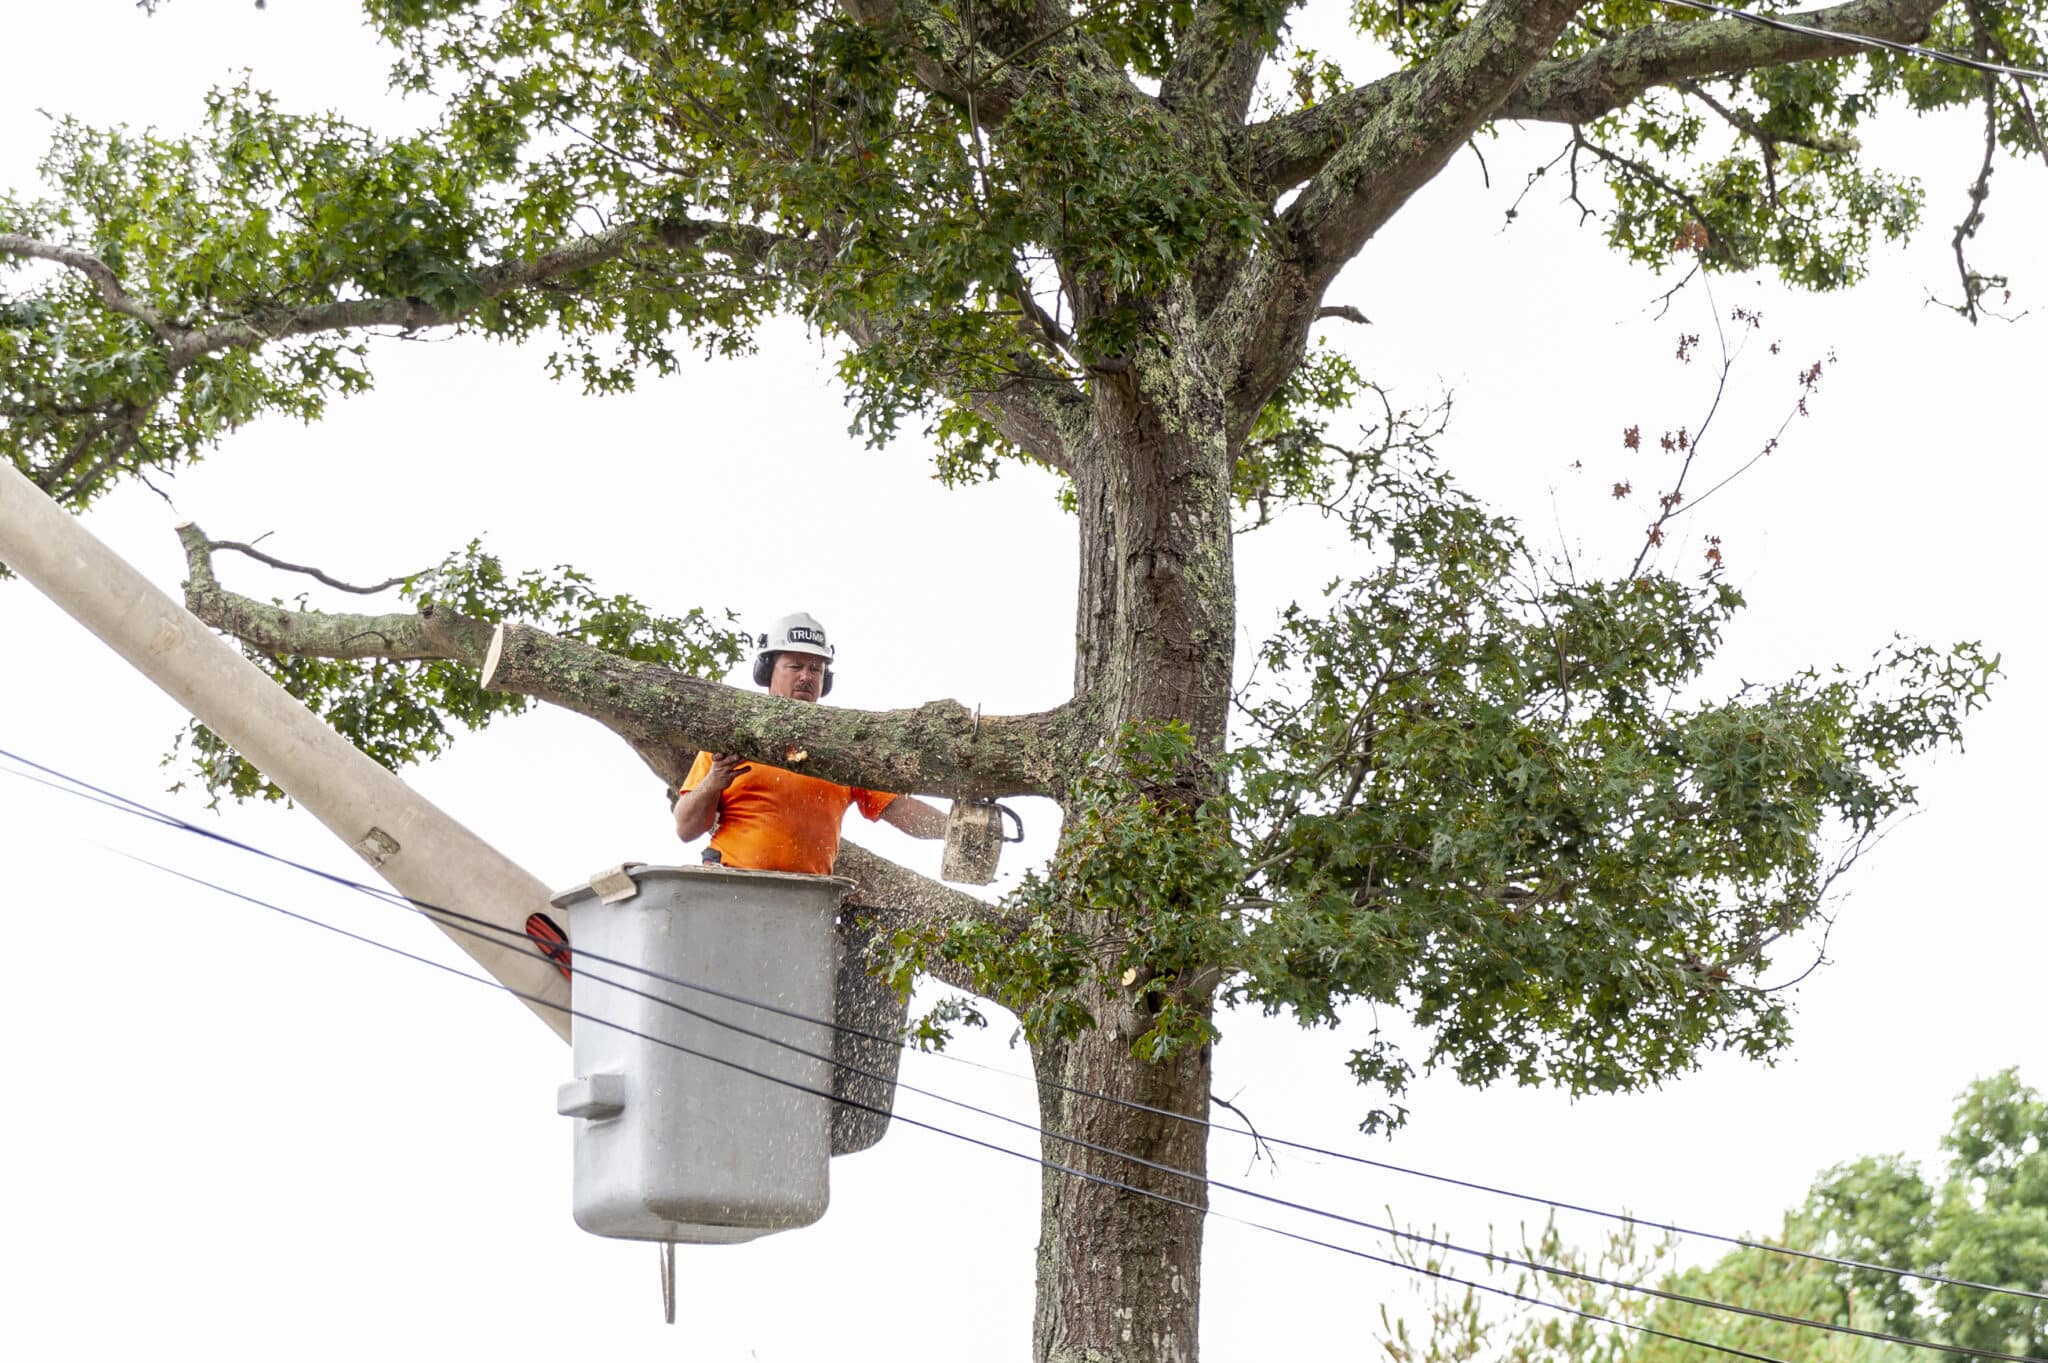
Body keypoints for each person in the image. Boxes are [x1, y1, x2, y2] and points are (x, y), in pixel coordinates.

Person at [672, 611, 947, 871]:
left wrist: (951, 828)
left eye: (816, 669)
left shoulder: (842, 746)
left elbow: (897, 808)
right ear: (768, 672)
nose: (806, 676)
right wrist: (713, 781)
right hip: (730, 880)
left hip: (807, 894)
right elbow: (686, 828)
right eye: (795, 666)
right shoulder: (734, 735)